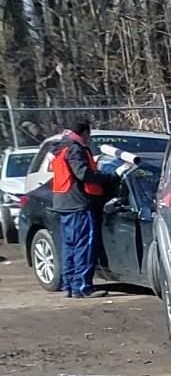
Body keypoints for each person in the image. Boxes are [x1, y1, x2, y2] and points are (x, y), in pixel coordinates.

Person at [46, 118, 110, 297]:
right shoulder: (75, 148)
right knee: (83, 245)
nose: (89, 138)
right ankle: (82, 287)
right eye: (89, 134)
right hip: (77, 202)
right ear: (85, 133)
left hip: (62, 201)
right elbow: (82, 173)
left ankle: (69, 285)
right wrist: (105, 177)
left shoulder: (59, 146)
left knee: (69, 245)